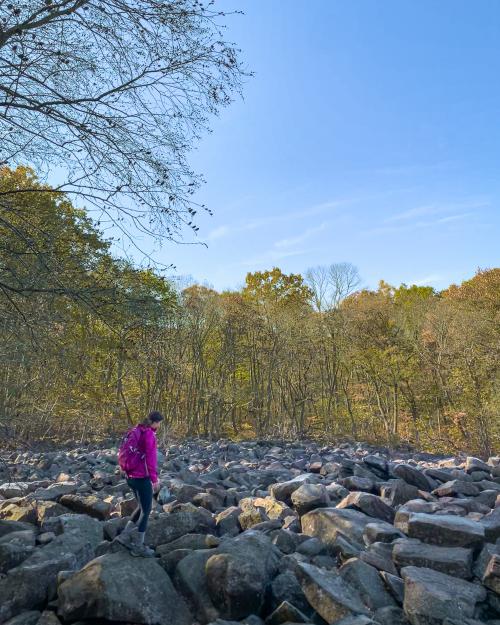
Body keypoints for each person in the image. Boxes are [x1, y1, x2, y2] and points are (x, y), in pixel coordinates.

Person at [116, 410, 164, 557]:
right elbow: (150, 458)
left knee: (141, 506)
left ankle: (125, 536)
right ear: (155, 422)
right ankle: (138, 546)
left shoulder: (136, 430)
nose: (160, 426)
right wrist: (154, 479)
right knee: (146, 510)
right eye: (160, 423)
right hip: (141, 477)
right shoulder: (149, 434)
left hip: (129, 476)